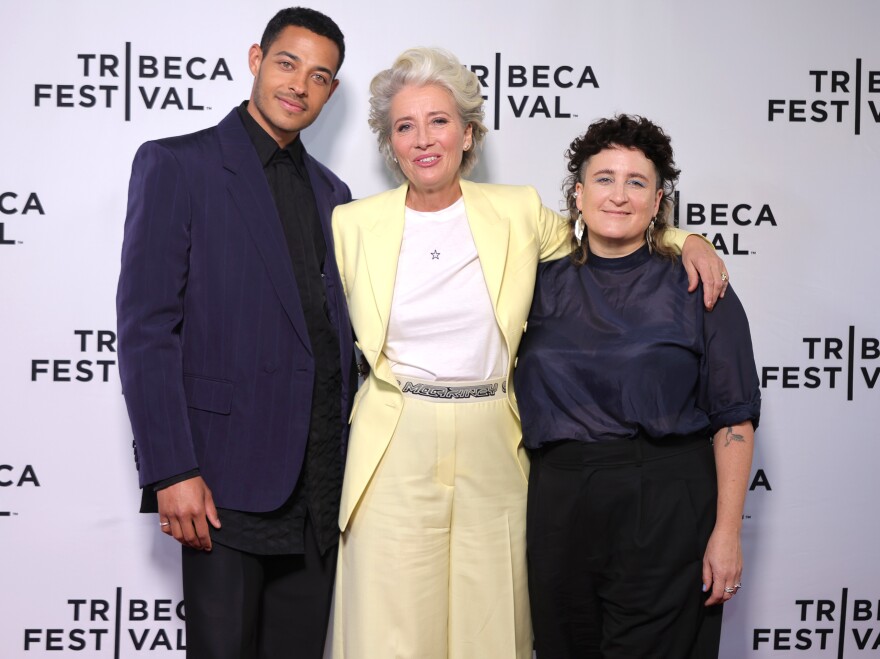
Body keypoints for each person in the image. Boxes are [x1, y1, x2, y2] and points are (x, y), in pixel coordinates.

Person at [329, 49, 728, 659]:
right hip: (394, 436)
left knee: (492, 623)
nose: (423, 139)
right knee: (392, 627)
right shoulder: (351, 224)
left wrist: (687, 238)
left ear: (468, 133)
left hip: (493, 435)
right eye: (405, 126)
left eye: (439, 121)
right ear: (390, 143)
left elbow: (605, 224)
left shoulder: (514, 210)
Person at [116, 8, 354, 658]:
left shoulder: (337, 195)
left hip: (319, 490)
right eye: (287, 63)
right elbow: (146, 328)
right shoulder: (178, 165)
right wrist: (173, 468)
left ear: (331, 91)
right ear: (256, 59)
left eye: (319, 76)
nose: (299, 85)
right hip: (222, 482)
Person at [516, 114, 760, 658]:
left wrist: (727, 534)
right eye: (604, 179)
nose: (619, 196)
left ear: (658, 201)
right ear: (577, 195)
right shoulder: (534, 286)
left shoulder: (699, 285)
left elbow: (733, 419)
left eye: (636, 182)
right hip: (558, 502)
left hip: (665, 499)